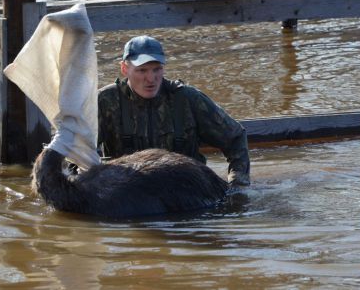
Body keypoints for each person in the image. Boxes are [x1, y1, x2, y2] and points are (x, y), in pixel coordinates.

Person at [97, 35, 250, 186]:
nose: (151, 78)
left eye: (157, 69)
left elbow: (235, 137)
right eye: (142, 70)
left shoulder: (188, 99)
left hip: (186, 192)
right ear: (125, 68)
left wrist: (238, 185)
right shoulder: (104, 101)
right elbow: (76, 153)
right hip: (125, 194)